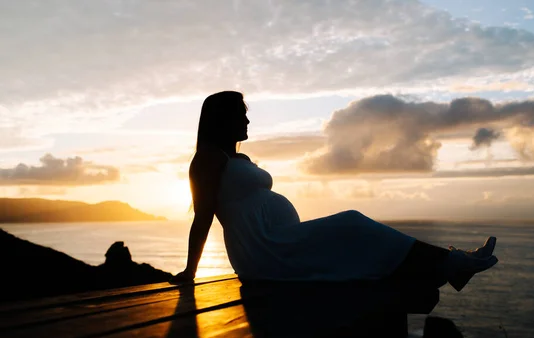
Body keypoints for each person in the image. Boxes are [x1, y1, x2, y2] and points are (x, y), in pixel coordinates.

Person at [171, 91, 498, 290]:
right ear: (224, 119)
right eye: (241, 114)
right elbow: (203, 216)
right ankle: (455, 263)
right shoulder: (207, 159)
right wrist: (190, 270)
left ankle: (455, 264)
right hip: (264, 253)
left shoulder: (236, 158)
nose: (247, 121)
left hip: (281, 243)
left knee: (358, 241)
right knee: (353, 224)